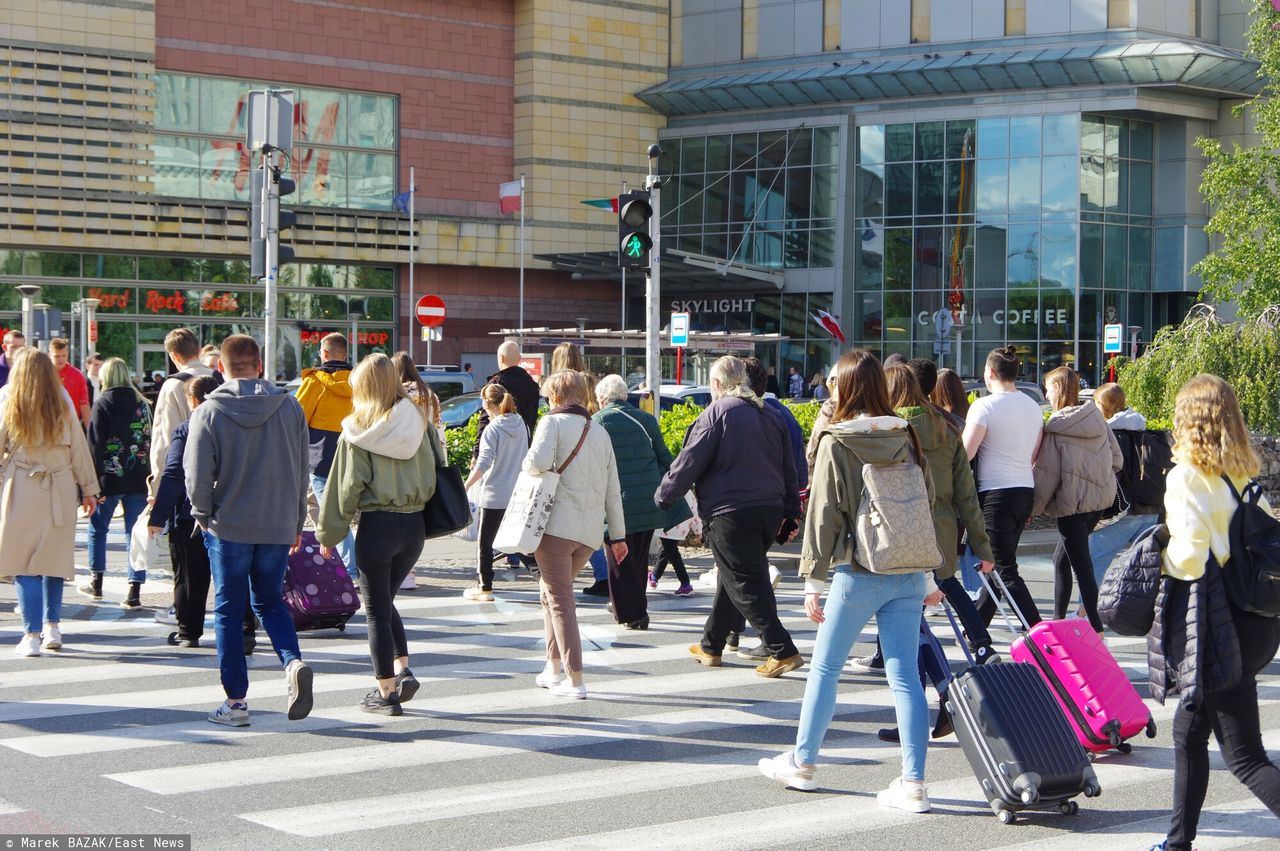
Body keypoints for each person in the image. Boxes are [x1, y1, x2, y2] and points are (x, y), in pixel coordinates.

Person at [757, 349, 933, 811]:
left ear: (848, 387)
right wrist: (930, 571)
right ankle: (914, 783)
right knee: (905, 677)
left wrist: (813, 580)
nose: (830, 387)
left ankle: (803, 762)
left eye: (836, 381)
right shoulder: (905, 433)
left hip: (858, 570)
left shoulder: (838, 440)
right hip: (908, 569)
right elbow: (922, 501)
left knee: (826, 668)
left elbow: (824, 515)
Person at [1152, 374, 1280, 851]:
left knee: (1245, 757)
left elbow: (1189, 558)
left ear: (1189, 420)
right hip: (1256, 623)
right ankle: (1177, 843)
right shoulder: (1243, 474)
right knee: (1188, 731)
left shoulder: (1187, 476)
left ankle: (1176, 845)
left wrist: (1157, 548)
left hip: (1217, 625)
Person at [185, 334, 313, 727]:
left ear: (220, 367)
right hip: (277, 522)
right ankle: (292, 662)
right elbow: (301, 468)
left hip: (229, 525)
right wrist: (295, 521)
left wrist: (203, 514)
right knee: (270, 602)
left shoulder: (209, 411)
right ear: (260, 365)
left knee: (227, 609)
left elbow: (196, 473)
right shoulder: (290, 407)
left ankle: (236, 703)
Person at [657, 356, 804, 678]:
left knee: (744, 581)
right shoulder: (769, 414)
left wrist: (663, 496)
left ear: (716, 384)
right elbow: (789, 470)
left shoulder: (717, 412)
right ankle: (711, 645)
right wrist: (792, 512)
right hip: (768, 509)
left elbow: (689, 460)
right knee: (733, 576)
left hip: (730, 511)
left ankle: (782, 650)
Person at [316, 354, 437, 716]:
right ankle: (402, 668)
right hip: (414, 525)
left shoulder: (358, 429)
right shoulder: (418, 420)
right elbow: (435, 469)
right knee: (385, 600)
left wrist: (329, 534)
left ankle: (385, 693)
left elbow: (345, 487)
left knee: (375, 612)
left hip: (378, 526)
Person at [524, 370, 628, 699]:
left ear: (555, 396)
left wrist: (534, 464)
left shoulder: (551, 423)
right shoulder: (598, 431)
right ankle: (552, 668)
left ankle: (575, 679)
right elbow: (614, 490)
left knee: (559, 601)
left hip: (555, 528)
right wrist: (619, 536)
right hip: (588, 534)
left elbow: (534, 463)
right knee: (551, 594)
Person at [0, 349, 99, 656]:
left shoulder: (8, 397)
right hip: (59, 484)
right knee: (53, 561)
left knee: (24, 563)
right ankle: (52, 627)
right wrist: (89, 489)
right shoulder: (62, 398)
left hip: (21, 486)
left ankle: (31, 635)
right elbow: (79, 448)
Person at [147, 375, 244, 648]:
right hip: (231, 511)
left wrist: (158, 515)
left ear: (192, 400)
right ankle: (244, 630)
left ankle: (188, 631)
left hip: (189, 514)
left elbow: (174, 473)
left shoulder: (186, 429)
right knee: (234, 575)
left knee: (189, 575)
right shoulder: (234, 427)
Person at [593, 374, 690, 631]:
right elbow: (666, 459)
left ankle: (630, 613)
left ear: (602, 399)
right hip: (647, 503)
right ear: (625, 396)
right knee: (638, 558)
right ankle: (639, 610)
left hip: (615, 506)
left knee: (617, 561)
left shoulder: (597, 422)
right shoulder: (646, 420)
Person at [1033, 366, 1123, 634]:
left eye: (1047, 388)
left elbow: (1045, 475)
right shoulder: (1095, 416)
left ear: (1058, 389)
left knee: (1081, 568)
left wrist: (1033, 508)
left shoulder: (1056, 427)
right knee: (1062, 559)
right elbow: (1117, 460)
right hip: (1098, 502)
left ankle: (1095, 627)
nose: (1046, 394)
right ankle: (1058, 619)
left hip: (1071, 505)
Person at [962, 345, 1044, 628]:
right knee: (998, 566)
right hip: (1024, 489)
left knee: (1003, 569)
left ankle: (1037, 629)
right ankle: (977, 630)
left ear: (991, 372)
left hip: (996, 494)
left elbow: (966, 453)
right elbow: (1035, 454)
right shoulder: (1033, 406)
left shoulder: (984, 406)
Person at [148, 328, 220, 626]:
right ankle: (241, 621)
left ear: (173, 355)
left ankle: (188, 623)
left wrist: (156, 486)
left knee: (186, 562)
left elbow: (165, 442)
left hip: (187, 483)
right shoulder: (219, 379)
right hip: (222, 482)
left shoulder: (173, 386)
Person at [81, 357, 152, 609]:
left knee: (98, 529)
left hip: (108, 479)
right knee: (135, 535)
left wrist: (91, 484)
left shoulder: (102, 403)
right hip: (138, 478)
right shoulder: (143, 405)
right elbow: (147, 440)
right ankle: (134, 590)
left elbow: (95, 446)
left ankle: (96, 581)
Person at [295, 333, 357, 580]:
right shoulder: (359, 382)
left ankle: (350, 570)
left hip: (320, 457)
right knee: (329, 511)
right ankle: (337, 559)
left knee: (330, 515)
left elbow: (297, 419)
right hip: (354, 457)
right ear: (345, 354)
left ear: (325, 353)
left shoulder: (315, 382)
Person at [461, 383, 529, 602]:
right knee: (518, 542)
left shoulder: (493, 428)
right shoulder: (522, 424)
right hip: (517, 492)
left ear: (488, 404)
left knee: (485, 544)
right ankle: (543, 578)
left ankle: (485, 587)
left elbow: (484, 462)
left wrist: (467, 485)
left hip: (494, 493)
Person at [474, 341, 540, 455]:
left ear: (501, 358)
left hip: (499, 447)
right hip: (524, 447)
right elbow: (533, 417)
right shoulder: (532, 384)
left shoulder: (496, 383)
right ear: (519, 358)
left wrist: (476, 453)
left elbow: (485, 419)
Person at [48, 338, 90, 426]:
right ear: (49, 355)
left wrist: (90, 430)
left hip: (71, 424)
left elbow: (84, 403)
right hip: (48, 424)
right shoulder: (43, 374)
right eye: (57, 356)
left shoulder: (77, 375)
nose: (61, 359)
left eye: (64, 356)